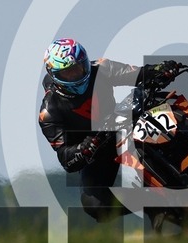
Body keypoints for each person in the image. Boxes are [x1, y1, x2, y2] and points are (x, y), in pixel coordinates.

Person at [38, 38, 178, 223]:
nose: (76, 75)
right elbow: (65, 158)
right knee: (94, 205)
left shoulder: (100, 68)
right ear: (54, 75)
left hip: (124, 123)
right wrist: (83, 149)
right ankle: (151, 201)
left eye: (78, 67)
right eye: (67, 73)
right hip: (97, 148)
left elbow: (138, 73)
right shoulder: (48, 112)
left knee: (164, 106)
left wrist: (160, 70)